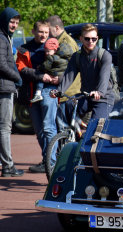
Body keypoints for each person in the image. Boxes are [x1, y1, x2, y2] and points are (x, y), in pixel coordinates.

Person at [16, 20, 58, 173]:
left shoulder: (54, 46)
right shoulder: (24, 49)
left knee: (48, 128)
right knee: (39, 131)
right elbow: (21, 69)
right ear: (33, 32)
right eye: (41, 32)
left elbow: (61, 65)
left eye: (46, 32)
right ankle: (46, 159)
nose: (44, 35)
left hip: (50, 93)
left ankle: (50, 162)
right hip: (31, 94)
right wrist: (40, 76)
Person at [54, 24, 114, 121]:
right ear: (81, 39)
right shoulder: (77, 56)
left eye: (93, 39)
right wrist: (59, 91)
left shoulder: (104, 55)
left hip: (103, 98)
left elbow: (104, 75)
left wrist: (100, 92)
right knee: (69, 105)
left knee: (96, 125)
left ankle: (90, 133)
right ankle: (76, 133)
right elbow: (69, 76)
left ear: (97, 39)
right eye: (87, 39)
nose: (90, 41)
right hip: (86, 95)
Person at [0, 7, 24, 177]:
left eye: (16, 22)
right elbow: (1, 64)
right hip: (4, 88)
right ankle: (8, 166)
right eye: (11, 21)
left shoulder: (5, 37)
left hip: (5, 86)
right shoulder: (1, 39)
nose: (14, 25)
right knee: (4, 128)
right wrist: (17, 77)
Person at [46, 15, 80, 131]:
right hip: (68, 91)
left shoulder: (65, 43)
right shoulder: (63, 40)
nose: (47, 34)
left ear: (56, 28)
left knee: (64, 129)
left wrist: (58, 78)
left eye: (49, 30)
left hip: (67, 93)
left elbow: (66, 68)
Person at [31, 38, 73, 103]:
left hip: (53, 75)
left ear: (55, 50)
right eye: (46, 51)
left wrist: (39, 68)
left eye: (48, 51)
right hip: (59, 76)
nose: (46, 53)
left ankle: (38, 93)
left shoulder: (52, 57)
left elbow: (46, 67)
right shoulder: (65, 58)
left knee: (41, 77)